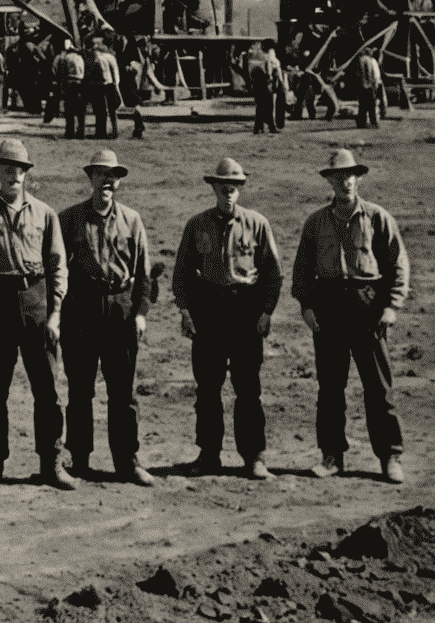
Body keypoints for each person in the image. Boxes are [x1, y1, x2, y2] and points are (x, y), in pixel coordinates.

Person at [0, 137, 72, 490]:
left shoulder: (45, 213)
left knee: (47, 389)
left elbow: (57, 264)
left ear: (26, 173)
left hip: (36, 301)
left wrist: (55, 314)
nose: (13, 175)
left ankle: (51, 463)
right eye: (7, 168)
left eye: (19, 169)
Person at [292, 149, 409, 484]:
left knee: (378, 386)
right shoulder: (316, 222)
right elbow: (302, 268)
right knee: (330, 387)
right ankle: (331, 456)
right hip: (328, 307)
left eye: (350, 175)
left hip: (367, 306)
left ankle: (390, 456)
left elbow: (398, 264)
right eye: (337, 176)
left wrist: (391, 306)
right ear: (329, 181)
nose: (344, 181)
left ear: (358, 178)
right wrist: (307, 306)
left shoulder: (377, 217)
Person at [171, 157, 282, 479]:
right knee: (207, 389)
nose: (228, 193)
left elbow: (273, 273)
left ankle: (254, 457)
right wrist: (186, 311)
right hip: (210, 312)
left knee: (248, 389)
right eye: (223, 188)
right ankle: (208, 454)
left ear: (241, 189)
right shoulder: (197, 225)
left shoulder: (257, 223)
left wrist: (266, 312)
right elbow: (181, 272)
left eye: (233, 188)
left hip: (245, 312)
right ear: (214, 188)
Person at [58, 149, 153, 485]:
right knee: (80, 390)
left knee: (123, 392)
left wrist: (140, 313)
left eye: (113, 175)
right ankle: (79, 459)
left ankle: (127, 461)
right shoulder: (69, 219)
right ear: (91, 179)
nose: (107, 181)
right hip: (81, 309)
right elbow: (54, 268)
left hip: (120, 309)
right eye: (100, 174)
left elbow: (144, 275)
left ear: (119, 182)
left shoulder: (132, 220)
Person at [52, 38, 86, 139]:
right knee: (80, 111)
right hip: (79, 83)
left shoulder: (64, 58)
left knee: (69, 110)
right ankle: (81, 132)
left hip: (68, 83)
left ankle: (70, 132)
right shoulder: (80, 58)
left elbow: (59, 72)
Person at [89, 38, 122, 139]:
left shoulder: (97, 57)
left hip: (99, 85)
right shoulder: (111, 57)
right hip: (110, 84)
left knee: (100, 110)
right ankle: (115, 131)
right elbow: (115, 72)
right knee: (112, 110)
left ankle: (100, 132)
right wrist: (116, 85)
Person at [354, 50, 383, 130]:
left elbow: (357, 73)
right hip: (370, 85)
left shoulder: (359, 60)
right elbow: (375, 74)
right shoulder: (372, 60)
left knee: (362, 105)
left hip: (361, 85)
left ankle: (361, 123)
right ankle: (374, 122)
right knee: (372, 105)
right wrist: (376, 83)